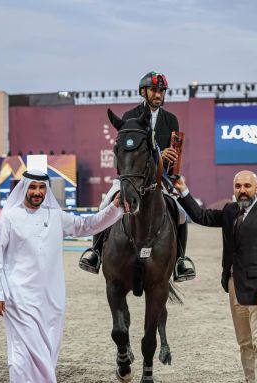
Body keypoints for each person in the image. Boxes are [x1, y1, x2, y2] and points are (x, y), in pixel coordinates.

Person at [0, 170, 123, 383]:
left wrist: (114, 208)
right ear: (23, 189)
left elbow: (86, 225)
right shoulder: (9, 218)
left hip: (52, 300)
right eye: (32, 187)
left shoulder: (56, 216)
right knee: (23, 356)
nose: (37, 192)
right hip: (19, 299)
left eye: (42, 188)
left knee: (47, 355)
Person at [174, 171, 257, 383]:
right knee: (244, 342)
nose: (242, 190)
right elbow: (201, 216)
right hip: (234, 285)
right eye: (238, 186)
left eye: (247, 186)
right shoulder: (230, 211)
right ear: (233, 188)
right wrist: (183, 189)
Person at [79, 70, 195, 281]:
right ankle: (95, 252)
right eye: (154, 90)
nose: (158, 94)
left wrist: (171, 159)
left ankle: (180, 261)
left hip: (159, 179)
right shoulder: (129, 117)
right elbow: (129, 150)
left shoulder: (171, 120)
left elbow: (175, 157)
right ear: (143, 91)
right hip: (131, 176)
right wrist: (160, 153)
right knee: (104, 205)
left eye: (161, 90)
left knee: (180, 213)